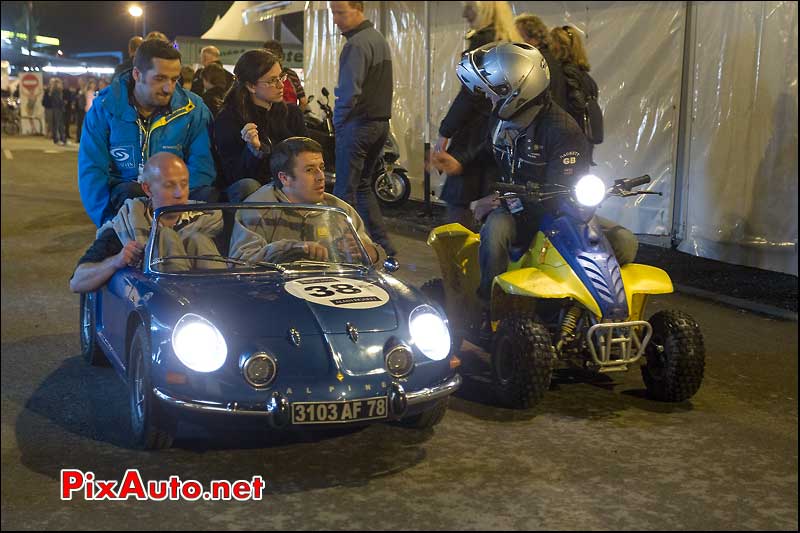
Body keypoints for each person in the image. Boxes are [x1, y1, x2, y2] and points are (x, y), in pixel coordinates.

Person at [432, 42, 637, 311]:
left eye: (496, 92)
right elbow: (488, 147)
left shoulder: (562, 130)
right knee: (494, 235)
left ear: (516, 91)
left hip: (559, 214)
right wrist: (460, 160)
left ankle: (584, 306)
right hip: (516, 208)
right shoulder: (503, 118)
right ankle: (489, 307)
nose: (490, 98)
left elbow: (565, 192)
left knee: (625, 242)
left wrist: (504, 196)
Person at [78, 39, 218, 227]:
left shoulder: (194, 109)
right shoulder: (103, 109)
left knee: (210, 196)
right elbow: (92, 172)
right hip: (126, 202)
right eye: (160, 79)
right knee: (130, 193)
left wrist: (174, 207)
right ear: (137, 74)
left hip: (179, 199)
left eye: (174, 79)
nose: (169, 87)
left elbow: (202, 166)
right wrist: (109, 225)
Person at [70, 153, 224, 293]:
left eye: (184, 184)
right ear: (147, 189)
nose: (180, 194)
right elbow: (77, 282)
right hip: (163, 310)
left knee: (198, 240)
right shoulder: (127, 224)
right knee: (166, 237)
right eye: (169, 186)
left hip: (214, 308)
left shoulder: (210, 220)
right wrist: (117, 261)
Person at [230, 137, 384, 265]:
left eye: (321, 168)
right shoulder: (258, 209)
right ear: (285, 178)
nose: (321, 176)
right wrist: (293, 248)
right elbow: (240, 264)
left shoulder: (340, 210)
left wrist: (370, 252)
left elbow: (375, 260)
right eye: (310, 170)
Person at [432, 1, 519, 229]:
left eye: (469, 7)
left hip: (474, 135)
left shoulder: (482, 44)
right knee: (494, 202)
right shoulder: (510, 45)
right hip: (499, 132)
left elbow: (469, 94)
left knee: (457, 206)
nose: (464, 14)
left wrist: (445, 131)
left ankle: (462, 260)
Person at [330, 1, 396, 256]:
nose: (336, 19)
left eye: (340, 12)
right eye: (333, 13)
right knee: (364, 187)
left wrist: (339, 122)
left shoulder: (356, 44)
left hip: (358, 124)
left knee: (343, 192)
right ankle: (384, 248)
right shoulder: (378, 39)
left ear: (359, 9)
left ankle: (342, 251)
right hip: (380, 125)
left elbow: (348, 91)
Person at [214, 49, 307, 203]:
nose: (280, 85)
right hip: (250, 189)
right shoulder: (229, 118)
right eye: (272, 81)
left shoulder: (292, 114)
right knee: (249, 186)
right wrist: (253, 150)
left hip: (287, 184)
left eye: (281, 77)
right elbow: (234, 175)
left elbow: (305, 154)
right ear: (251, 86)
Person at [551, 24, 601, 162]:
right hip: (585, 144)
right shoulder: (586, 77)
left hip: (570, 146)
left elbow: (573, 108)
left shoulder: (564, 73)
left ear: (557, 46)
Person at [515, 13, 567, 111]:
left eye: (519, 36)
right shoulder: (549, 57)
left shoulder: (539, 62)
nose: (515, 41)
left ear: (534, 38)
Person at [262, 40, 307, 111]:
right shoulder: (291, 74)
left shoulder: (261, 75)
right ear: (281, 57)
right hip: (290, 117)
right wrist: (295, 116)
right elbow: (303, 101)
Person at [49, 78, 67, 145]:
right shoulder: (56, 91)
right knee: (59, 124)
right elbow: (58, 101)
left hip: (56, 109)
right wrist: (63, 103)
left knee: (56, 124)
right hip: (58, 109)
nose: (61, 84)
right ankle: (61, 139)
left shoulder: (55, 91)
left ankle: (57, 139)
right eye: (60, 83)